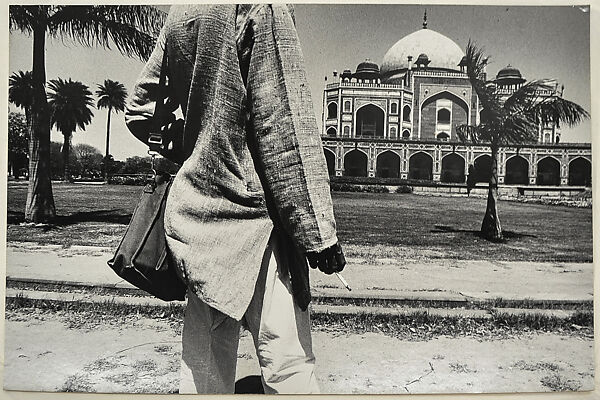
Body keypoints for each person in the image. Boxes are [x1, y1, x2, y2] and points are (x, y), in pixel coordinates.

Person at [125, 4, 346, 394]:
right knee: (288, 366)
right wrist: (318, 234)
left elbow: (139, 112)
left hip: (198, 221)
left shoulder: (183, 11)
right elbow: (283, 123)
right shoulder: (263, 6)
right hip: (258, 225)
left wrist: (198, 149)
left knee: (204, 370)